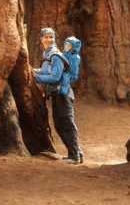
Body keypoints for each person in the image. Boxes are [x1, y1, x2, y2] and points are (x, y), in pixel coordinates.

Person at [33, 27, 83, 164]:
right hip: (56, 94)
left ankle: (74, 156)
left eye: (51, 37)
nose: (49, 39)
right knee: (59, 125)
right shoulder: (47, 54)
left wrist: (35, 77)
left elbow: (55, 76)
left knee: (67, 123)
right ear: (41, 39)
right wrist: (31, 71)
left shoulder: (55, 55)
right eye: (46, 37)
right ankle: (76, 152)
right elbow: (44, 72)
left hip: (63, 94)